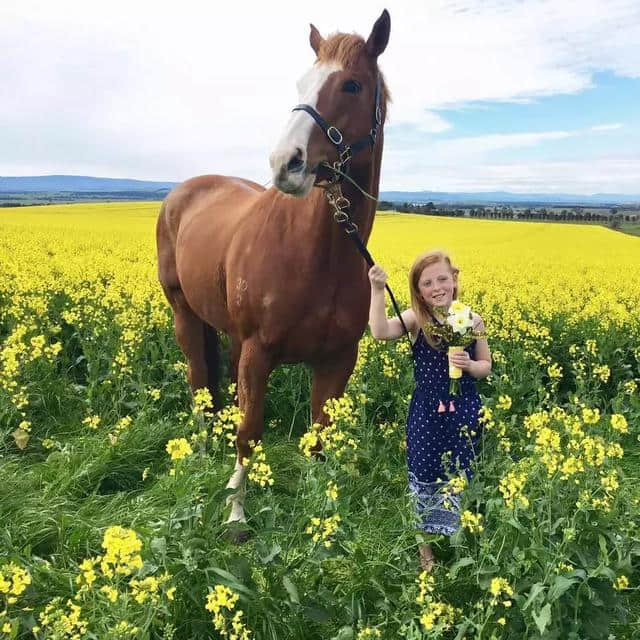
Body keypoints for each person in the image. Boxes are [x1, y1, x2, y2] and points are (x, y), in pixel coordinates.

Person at [367, 250, 491, 572]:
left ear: (454, 280)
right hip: (426, 415)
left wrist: (470, 365)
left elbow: (486, 366)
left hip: (463, 410)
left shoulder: (473, 320)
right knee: (424, 475)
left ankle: (461, 540)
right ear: (418, 290)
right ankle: (427, 554)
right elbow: (379, 332)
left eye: (442, 279)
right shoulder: (416, 320)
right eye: (427, 283)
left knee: (462, 474)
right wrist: (378, 290)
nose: (436, 287)